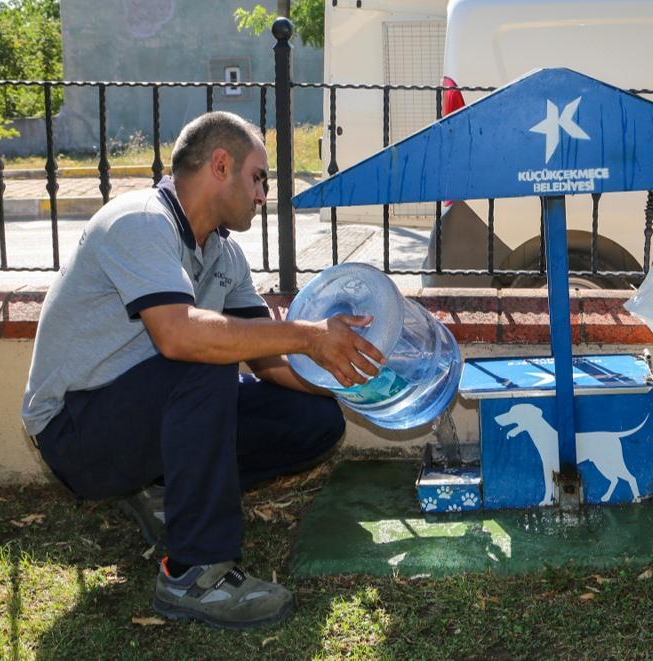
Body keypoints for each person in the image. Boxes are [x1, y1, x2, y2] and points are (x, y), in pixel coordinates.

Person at [21, 111, 385, 628]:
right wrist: (311, 334)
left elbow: (271, 361)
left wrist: (349, 380)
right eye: (259, 177)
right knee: (204, 360)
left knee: (313, 422)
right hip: (75, 432)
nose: (263, 195)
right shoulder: (140, 220)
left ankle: (168, 492)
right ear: (221, 164)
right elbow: (180, 335)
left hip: (145, 410)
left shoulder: (225, 255)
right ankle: (193, 574)